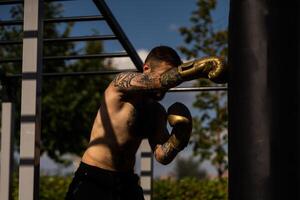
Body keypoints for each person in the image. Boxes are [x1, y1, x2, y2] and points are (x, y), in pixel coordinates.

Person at [65, 46, 226, 200]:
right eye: (167, 75)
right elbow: (161, 81)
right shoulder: (120, 86)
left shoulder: (157, 112)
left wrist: (180, 136)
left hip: (126, 182)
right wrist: (197, 68)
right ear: (146, 69)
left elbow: (161, 155)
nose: (168, 85)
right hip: (93, 177)